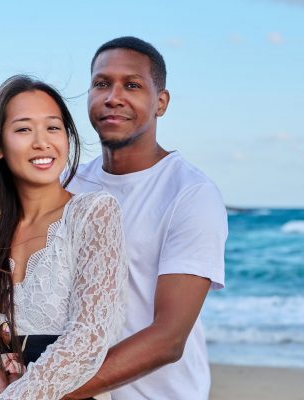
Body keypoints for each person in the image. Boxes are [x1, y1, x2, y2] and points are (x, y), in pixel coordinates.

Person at [0, 75, 127, 400]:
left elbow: (89, 336)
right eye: (24, 129)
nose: (42, 142)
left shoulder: (93, 213)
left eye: (53, 127)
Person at [61, 36, 228, 400]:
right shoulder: (66, 186)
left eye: (132, 85)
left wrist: (44, 391)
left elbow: (168, 338)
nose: (113, 97)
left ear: (161, 103)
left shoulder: (190, 193)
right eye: (101, 83)